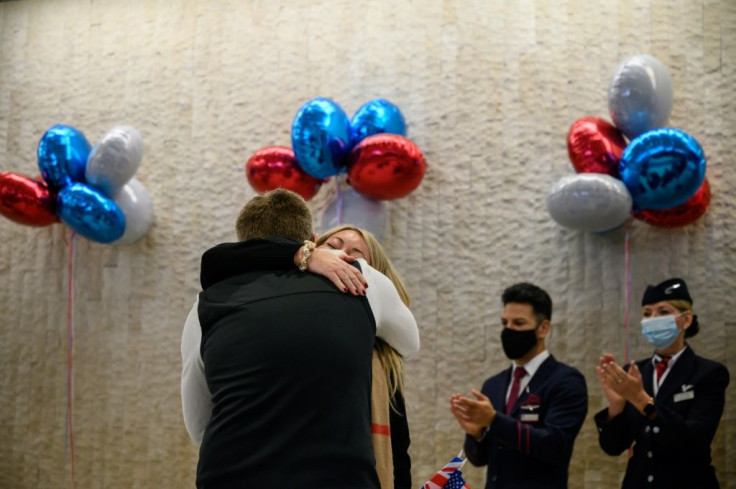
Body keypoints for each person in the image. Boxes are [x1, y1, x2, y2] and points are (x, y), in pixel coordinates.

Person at [180, 189, 420, 488]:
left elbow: (199, 425)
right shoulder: (362, 278)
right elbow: (410, 343)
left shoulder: (204, 306)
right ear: (312, 239)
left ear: (243, 241)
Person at [449, 282, 588, 489]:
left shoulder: (565, 381)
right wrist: (476, 434)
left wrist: (494, 420)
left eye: (519, 323)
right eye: (504, 323)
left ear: (543, 328)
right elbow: (480, 459)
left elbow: (555, 446)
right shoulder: (494, 385)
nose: (509, 330)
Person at [595, 278, 730, 489]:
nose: (653, 319)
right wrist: (616, 408)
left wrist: (641, 399)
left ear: (685, 320)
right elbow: (613, 447)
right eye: (647, 313)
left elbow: (695, 441)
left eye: (663, 312)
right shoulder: (637, 372)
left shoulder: (708, 373)